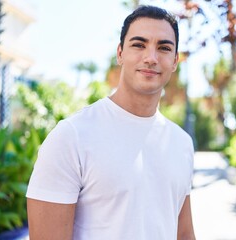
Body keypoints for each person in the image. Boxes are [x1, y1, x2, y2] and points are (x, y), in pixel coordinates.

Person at [26, 5, 196, 240]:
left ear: (175, 60)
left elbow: (184, 234)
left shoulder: (181, 143)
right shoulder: (72, 136)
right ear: (120, 53)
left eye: (164, 48)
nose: (151, 58)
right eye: (139, 44)